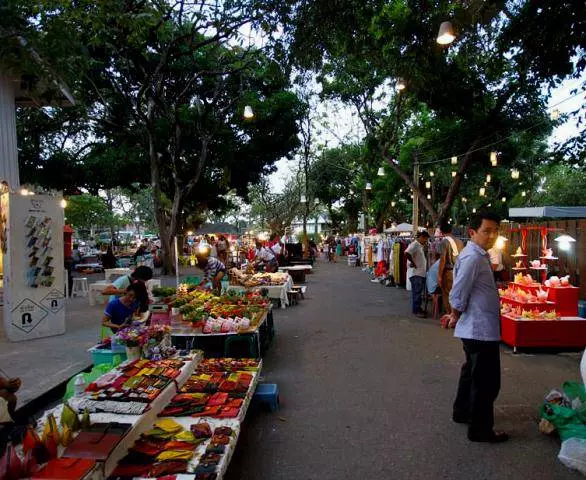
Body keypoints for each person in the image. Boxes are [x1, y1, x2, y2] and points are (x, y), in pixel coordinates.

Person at [445, 210, 508, 443]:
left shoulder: (478, 254)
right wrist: (454, 314)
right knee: (486, 382)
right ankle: (480, 429)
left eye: (495, 231)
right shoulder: (472, 257)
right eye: (486, 231)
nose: (491, 235)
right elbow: (459, 292)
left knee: (471, 374)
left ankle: (462, 412)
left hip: (479, 328)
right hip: (479, 329)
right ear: (473, 232)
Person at [438, 222, 464, 314]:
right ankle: (457, 315)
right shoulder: (460, 241)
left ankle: (450, 315)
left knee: (447, 294)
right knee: (457, 294)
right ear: (451, 230)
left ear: (441, 231)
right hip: (459, 272)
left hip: (449, 272)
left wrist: (439, 276)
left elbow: (443, 260)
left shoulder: (444, 241)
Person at [405, 231, 430, 318]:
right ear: (422, 237)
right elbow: (407, 253)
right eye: (425, 239)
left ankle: (418, 309)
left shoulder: (420, 246)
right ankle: (416, 311)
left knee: (418, 293)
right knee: (417, 293)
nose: (426, 241)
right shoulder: (415, 244)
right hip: (416, 273)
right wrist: (413, 263)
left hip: (420, 273)